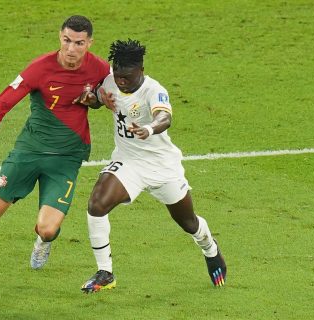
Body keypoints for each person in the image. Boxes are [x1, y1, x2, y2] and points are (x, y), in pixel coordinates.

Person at [0, 15, 110, 289]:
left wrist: (100, 101)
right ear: (59, 37)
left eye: (79, 43)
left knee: (48, 228)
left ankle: (42, 242)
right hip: (29, 152)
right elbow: (2, 102)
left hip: (66, 159)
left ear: (89, 43)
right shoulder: (40, 68)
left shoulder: (100, 69)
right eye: (66, 41)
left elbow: (117, 95)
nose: (72, 48)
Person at [80, 39, 227, 293]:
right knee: (96, 204)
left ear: (141, 70)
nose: (121, 81)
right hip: (128, 162)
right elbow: (97, 99)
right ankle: (106, 272)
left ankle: (210, 248)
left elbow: (164, 116)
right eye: (117, 75)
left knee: (188, 222)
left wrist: (149, 128)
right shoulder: (111, 80)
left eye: (126, 76)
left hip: (162, 166)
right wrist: (91, 98)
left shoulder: (153, 90)